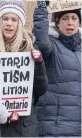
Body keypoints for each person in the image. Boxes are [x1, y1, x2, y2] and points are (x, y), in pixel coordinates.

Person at [0, 0, 48, 137]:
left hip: (22, 128)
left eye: (14, 19)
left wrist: (39, 64)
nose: (9, 23)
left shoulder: (29, 49)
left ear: (20, 23)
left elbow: (40, 90)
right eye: (5, 18)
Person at [33, 1, 81, 137]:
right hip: (54, 127)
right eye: (65, 18)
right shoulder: (51, 44)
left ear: (79, 22)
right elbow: (40, 44)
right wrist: (42, 11)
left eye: (74, 18)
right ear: (57, 22)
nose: (70, 23)